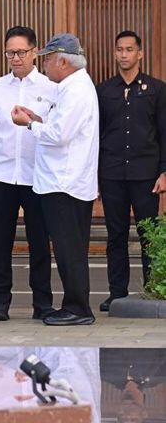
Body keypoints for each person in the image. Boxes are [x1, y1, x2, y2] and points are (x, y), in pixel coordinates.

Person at [12, 33, 99, 326]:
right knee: (68, 247)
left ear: (63, 61)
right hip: (64, 181)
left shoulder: (75, 91)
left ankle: (77, 307)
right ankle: (75, 304)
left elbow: (59, 136)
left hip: (65, 182)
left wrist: (29, 125)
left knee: (68, 249)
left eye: (48, 59)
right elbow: (59, 127)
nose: (45, 65)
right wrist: (37, 120)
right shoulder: (71, 88)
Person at [0, 26, 56, 322]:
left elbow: (56, 130)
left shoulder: (49, 88)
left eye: (21, 52)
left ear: (34, 51)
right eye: (10, 53)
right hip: (2, 175)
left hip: (37, 177)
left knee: (40, 243)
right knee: (0, 243)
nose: (16, 58)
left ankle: (43, 303)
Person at [96, 31, 166, 312]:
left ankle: (152, 289)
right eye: (119, 50)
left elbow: (163, 134)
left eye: (129, 49)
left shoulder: (157, 89)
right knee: (116, 235)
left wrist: (164, 172)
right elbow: (96, 135)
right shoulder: (103, 91)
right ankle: (117, 293)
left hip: (146, 174)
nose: (124, 55)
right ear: (114, 53)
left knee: (148, 234)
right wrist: (95, 176)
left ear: (140, 53)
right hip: (112, 173)